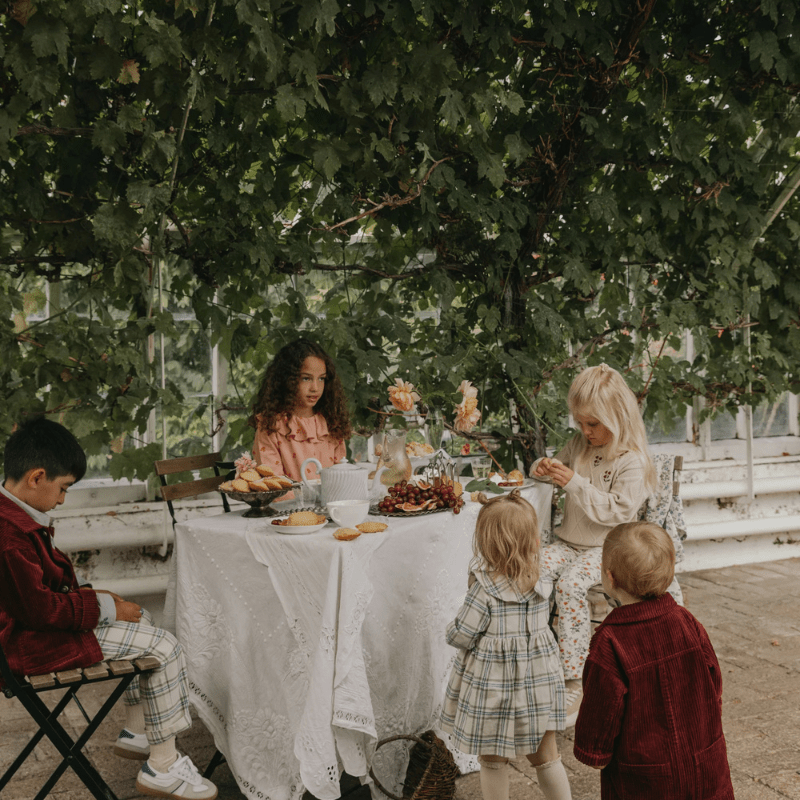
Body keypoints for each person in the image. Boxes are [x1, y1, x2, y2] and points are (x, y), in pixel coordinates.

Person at [0, 418, 217, 800]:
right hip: (25, 646)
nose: (63, 499)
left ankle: (137, 731)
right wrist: (103, 607)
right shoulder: (8, 536)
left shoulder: (15, 518)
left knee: (142, 619)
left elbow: (37, 596)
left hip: (33, 634)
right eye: (63, 488)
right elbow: (42, 611)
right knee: (165, 648)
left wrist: (101, 600)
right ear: (36, 478)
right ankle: (163, 767)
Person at [530, 363, 657, 724]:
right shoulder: (580, 445)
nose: (585, 431)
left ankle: (575, 678)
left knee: (570, 585)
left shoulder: (630, 461)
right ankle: (535, 660)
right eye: (580, 423)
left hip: (608, 550)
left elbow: (616, 512)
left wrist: (573, 482)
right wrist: (543, 467)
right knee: (529, 569)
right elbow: (558, 471)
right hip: (569, 543)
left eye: (593, 424)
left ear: (617, 418)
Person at [574, 522, 734, 799]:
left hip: (644, 782)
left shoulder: (609, 643)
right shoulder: (686, 621)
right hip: (705, 767)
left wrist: (595, 751)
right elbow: (714, 686)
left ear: (610, 578)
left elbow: (601, 711)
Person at [440, 490, 572, 800]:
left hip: (494, 689)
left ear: (486, 544)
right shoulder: (542, 579)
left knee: (492, 760)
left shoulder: (484, 590)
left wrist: (450, 630)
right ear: (533, 541)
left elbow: (462, 634)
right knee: (547, 755)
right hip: (538, 684)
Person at [248, 338, 352, 481]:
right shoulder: (271, 425)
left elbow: (340, 478)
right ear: (287, 379)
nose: (315, 388)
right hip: (286, 496)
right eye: (306, 378)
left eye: (321, 379)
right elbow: (272, 483)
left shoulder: (331, 423)